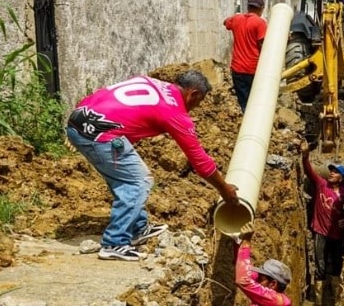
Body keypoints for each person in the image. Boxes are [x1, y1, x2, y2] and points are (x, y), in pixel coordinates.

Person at [65, 70, 239, 262]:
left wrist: (77, 126)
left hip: (80, 121)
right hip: (99, 135)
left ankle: (138, 227)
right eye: (199, 102)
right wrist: (224, 189)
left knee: (124, 176)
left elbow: (103, 97)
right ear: (194, 94)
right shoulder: (174, 111)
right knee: (138, 181)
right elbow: (199, 160)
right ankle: (115, 242)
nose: (197, 107)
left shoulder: (153, 83)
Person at [300, 141, 344, 305]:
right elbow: (308, 170)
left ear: (341, 177)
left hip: (337, 235)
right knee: (320, 266)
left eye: (335, 172)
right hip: (321, 232)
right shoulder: (322, 185)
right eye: (331, 171)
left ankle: (335, 298)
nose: (331, 174)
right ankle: (319, 300)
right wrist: (305, 154)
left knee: (336, 265)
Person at [224, 0, 267, 112]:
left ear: (248, 6)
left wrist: (233, 19)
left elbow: (225, 22)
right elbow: (262, 45)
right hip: (253, 68)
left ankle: (246, 123)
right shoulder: (260, 23)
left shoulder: (236, 19)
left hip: (237, 69)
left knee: (244, 102)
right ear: (261, 8)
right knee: (256, 100)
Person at [233, 221, 292, 306]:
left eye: (260, 279)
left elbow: (243, 279)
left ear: (273, 284)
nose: (257, 280)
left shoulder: (277, 301)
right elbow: (243, 271)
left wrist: (246, 242)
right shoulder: (268, 293)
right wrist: (238, 241)